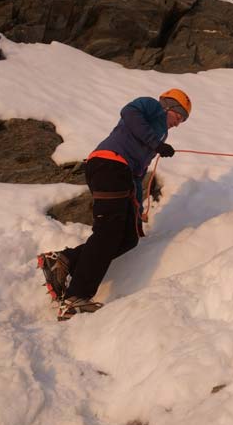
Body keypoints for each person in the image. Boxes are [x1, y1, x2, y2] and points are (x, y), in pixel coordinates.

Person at [37, 89, 190, 321]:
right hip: (109, 163)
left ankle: (64, 260)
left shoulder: (160, 135)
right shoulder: (151, 106)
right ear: (170, 107)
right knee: (108, 233)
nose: (179, 124)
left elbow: (138, 174)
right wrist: (155, 144)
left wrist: (137, 209)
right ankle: (75, 297)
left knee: (128, 238)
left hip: (122, 173)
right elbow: (129, 113)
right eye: (180, 117)